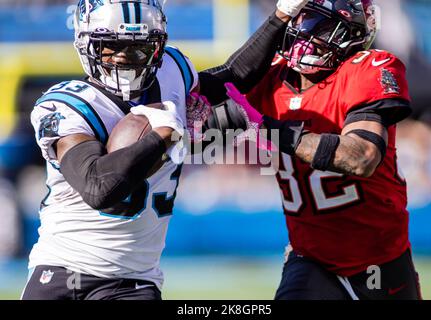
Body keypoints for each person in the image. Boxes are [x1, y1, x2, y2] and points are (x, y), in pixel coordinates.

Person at [22, 0, 308, 300]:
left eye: (141, 48)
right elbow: (99, 188)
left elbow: (234, 75)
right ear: (86, 44)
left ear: (158, 46)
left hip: (132, 282)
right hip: (60, 271)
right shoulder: (67, 106)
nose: (125, 58)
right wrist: (163, 136)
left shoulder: (171, 73)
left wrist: (281, 15)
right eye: (111, 46)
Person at [210, 0, 421, 300]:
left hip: (381, 258)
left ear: (350, 32)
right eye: (300, 20)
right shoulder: (270, 78)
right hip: (312, 259)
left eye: (317, 24)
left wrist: (264, 127)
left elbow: (361, 157)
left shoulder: (365, 70)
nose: (302, 31)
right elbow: (208, 90)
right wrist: (279, 17)